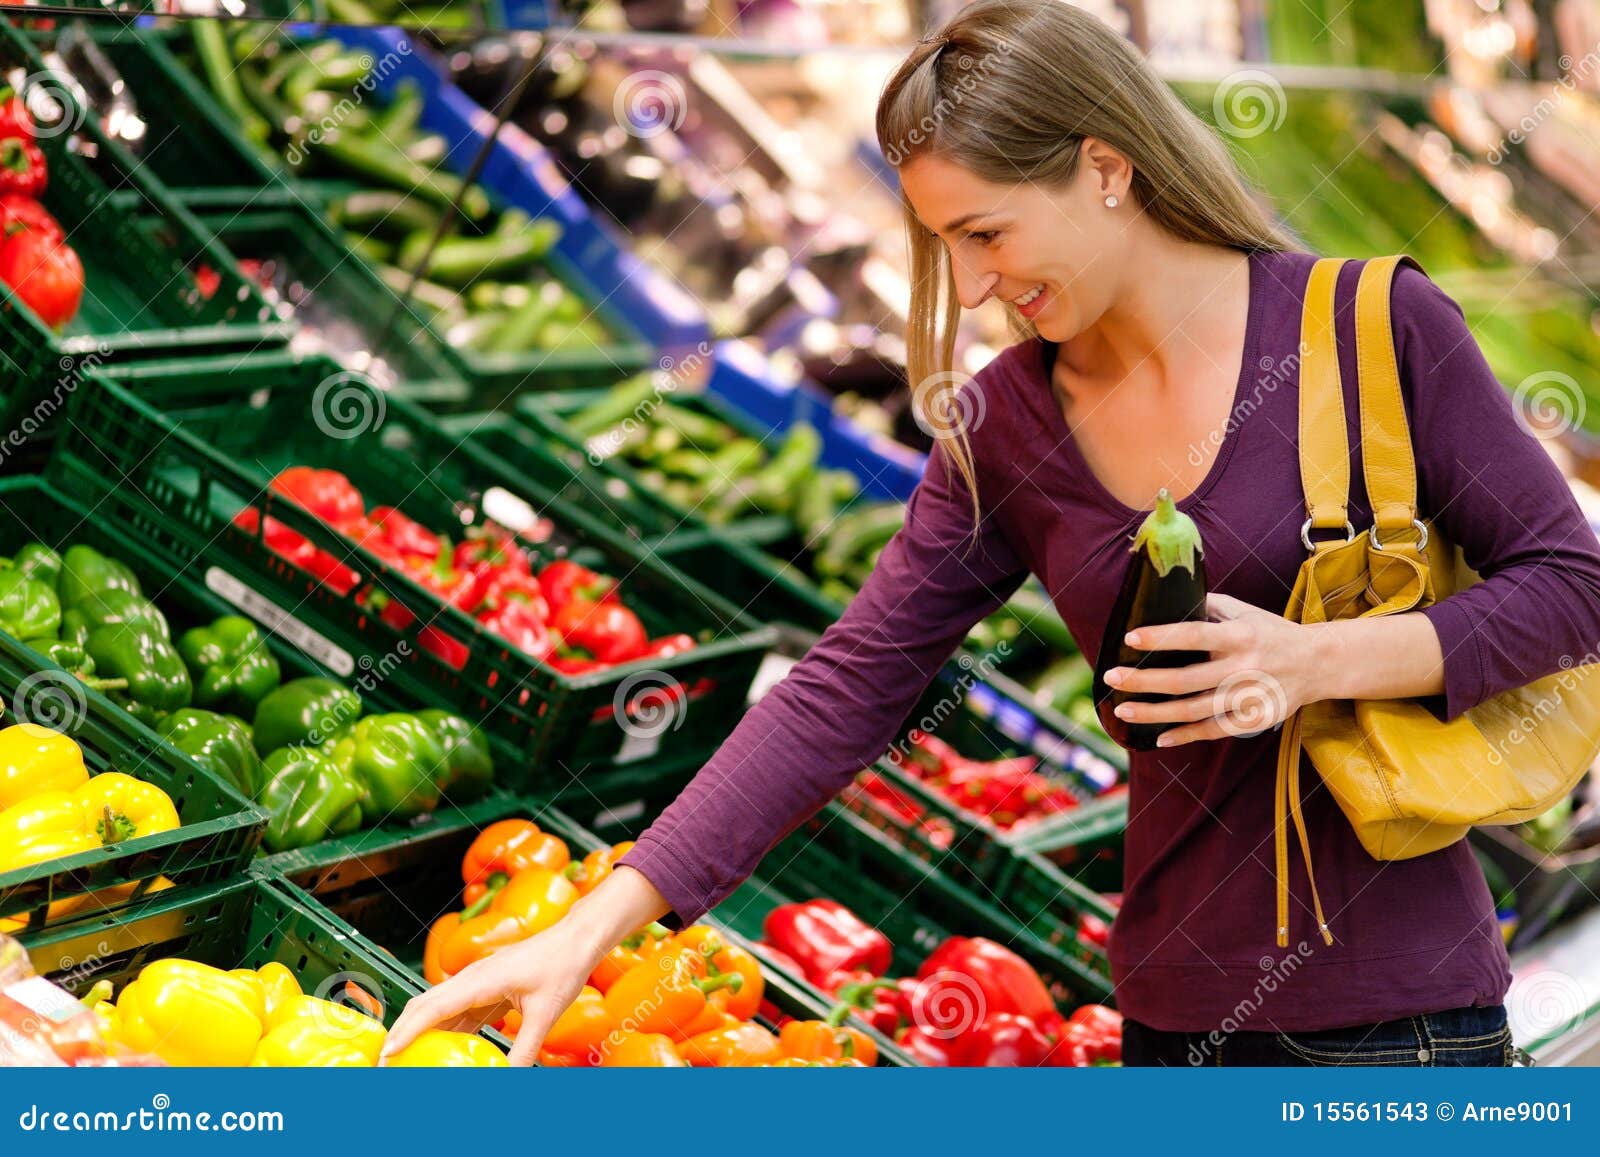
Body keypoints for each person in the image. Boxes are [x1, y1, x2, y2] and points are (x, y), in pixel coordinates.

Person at [382, 0, 1600, 1067]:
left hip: (1405, 1022)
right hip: (1169, 1021)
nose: (966, 288)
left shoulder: (1369, 325)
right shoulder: (1011, 422)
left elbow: (1572, 583)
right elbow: (847, 687)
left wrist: (1317, 660)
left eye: (985, 233)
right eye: (940, 245)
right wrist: (593, 922)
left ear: (1105, 169)